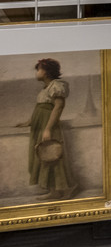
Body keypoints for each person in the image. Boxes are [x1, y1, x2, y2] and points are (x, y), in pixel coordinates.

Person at [23, 58, 76, 200]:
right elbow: (40, 109)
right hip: (39, 126)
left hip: (48, 125)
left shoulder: (56, 86)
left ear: (46, 72)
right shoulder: (45, 88)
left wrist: (47, 129)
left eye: (39, 69)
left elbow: (58, 107)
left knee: (54, 156)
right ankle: (54, 191)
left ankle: (66, 189)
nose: (37, 72)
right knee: (44, 157)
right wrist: (29, 122)